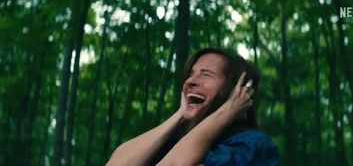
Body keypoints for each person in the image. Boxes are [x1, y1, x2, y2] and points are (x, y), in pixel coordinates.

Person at [107, 48, 279, 166]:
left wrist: (227, 110)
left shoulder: (252, 146)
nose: (190, 81)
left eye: (205, 74)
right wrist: (181, 114)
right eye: (190, 74)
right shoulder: (176, 141)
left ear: (237, 90)